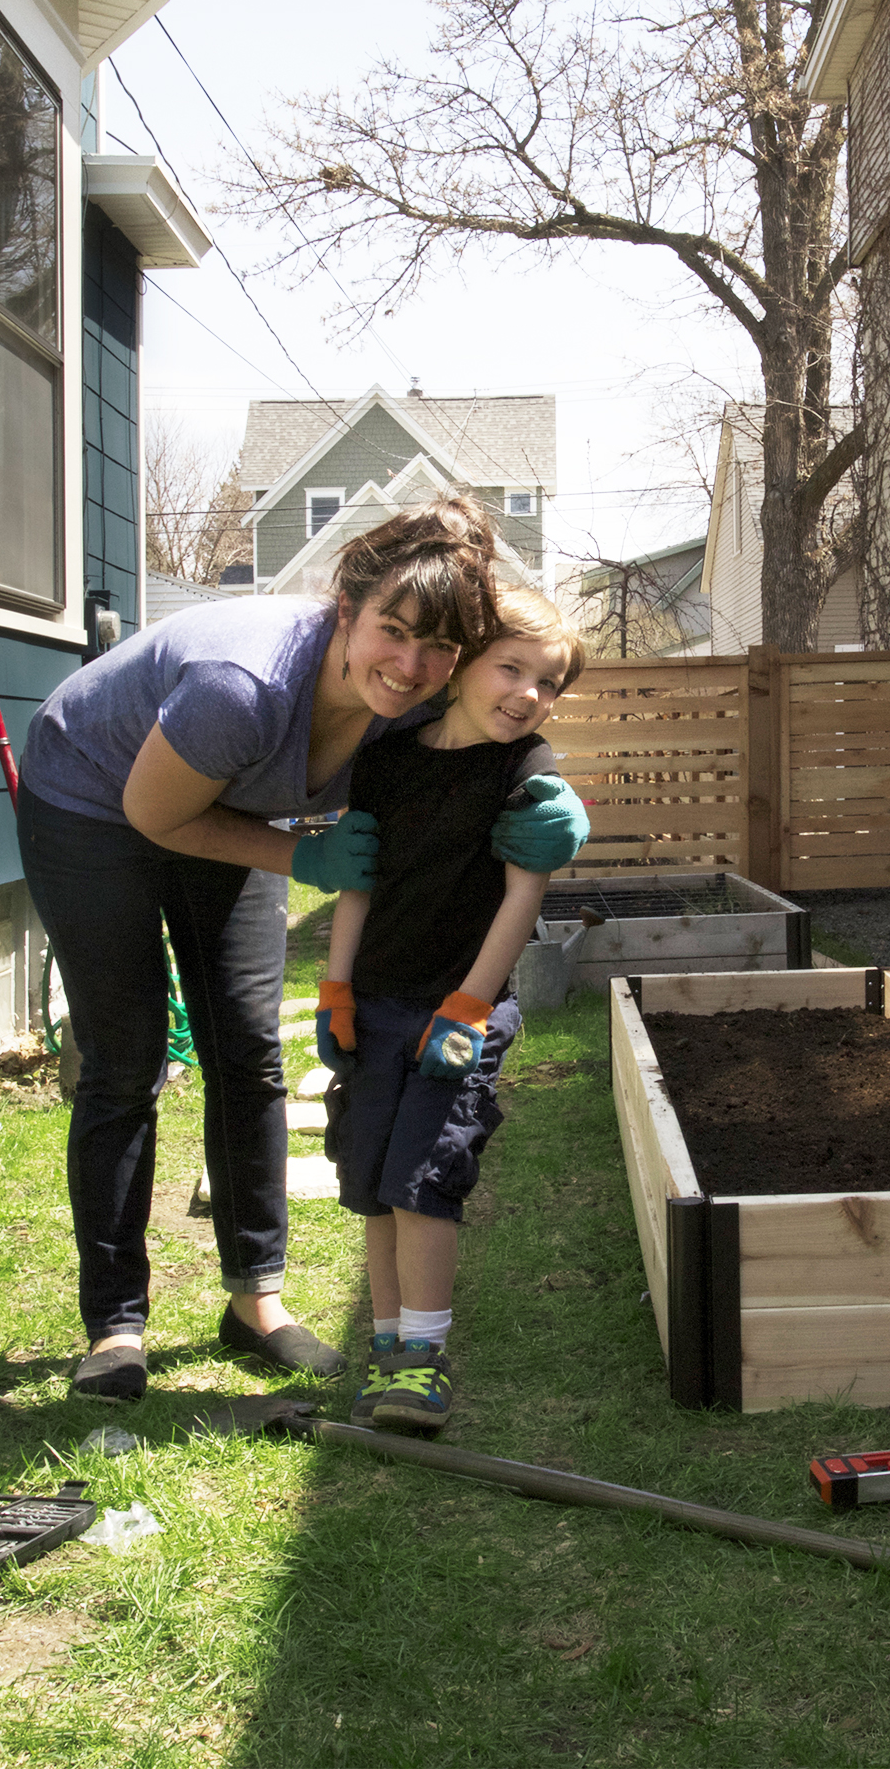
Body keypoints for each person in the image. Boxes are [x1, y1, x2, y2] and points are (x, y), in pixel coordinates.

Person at [16, 499, 590, 1404]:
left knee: (245, 1050)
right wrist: (302, 853)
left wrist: (555, 797)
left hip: (228, 802)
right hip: (94, 801)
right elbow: (156, 815)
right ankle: (116, 1326)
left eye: (436, 648)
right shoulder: (240, 688)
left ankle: (256, 1303)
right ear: (343, 612)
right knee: (125, 1060)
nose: (410, 667)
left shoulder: (415, 700)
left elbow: (491, 737)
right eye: (392, 633)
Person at [313, 586, 586, 1434]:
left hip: (458, 1014)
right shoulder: (386, 761)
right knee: (371, 1180)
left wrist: (470, 1007)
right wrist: (334, 986)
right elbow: (361, 881)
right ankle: (387, 1351)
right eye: (514, 669)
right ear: (463, 664)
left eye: (549, 683)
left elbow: (520, 900)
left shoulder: (524, 770)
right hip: (378, 1004)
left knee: (424, 1179)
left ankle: (422, 1366)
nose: (530, 695)